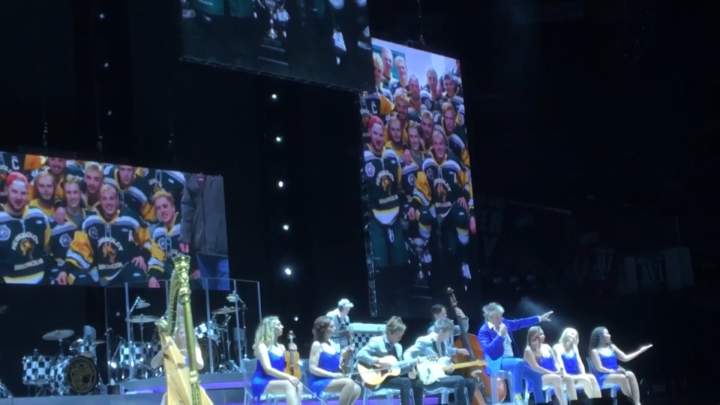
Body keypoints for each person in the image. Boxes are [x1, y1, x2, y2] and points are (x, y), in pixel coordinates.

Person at [58, 183, 150, 286]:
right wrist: (65, 270)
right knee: (79, 278)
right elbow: (78, 250)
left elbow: (148, 241)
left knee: (137, 274)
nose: (108, 203)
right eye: (104, 199)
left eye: (111, 198)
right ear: (100, 201)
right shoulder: (89, 221)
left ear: (117, 200)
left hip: (124, 270)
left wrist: (143, 256)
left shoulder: (131, 218)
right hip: (97, 274)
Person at [477, 302, 554, 404]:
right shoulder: (484, 331)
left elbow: (520, 323)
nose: (501, 319)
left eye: (501, 316)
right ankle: (518, 396)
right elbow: (490, 351)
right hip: (496, 361)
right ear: (490, 318)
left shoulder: (504, 323)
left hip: (511, 361)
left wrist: (539, 318)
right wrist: (500, 336)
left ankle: (540, 403)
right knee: (519, 362)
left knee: (535, 375)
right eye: (498, 317)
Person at [405, 318, 475, 405]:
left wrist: (449, 367)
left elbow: (443, 362)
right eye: (448, 333)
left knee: (470, 383)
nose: (449, 336)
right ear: (441, 331)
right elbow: (407, 353)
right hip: (430, 379)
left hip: (441, 375)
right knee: (459, 379)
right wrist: (412, 368)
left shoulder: (443, 344)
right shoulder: (424, 340)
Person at [356, 316, 423, 405]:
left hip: (391, 377)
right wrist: (377, 361)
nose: (400, 339)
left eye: (401, 336)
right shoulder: (377, 342)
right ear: (391, 333)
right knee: (405, 382)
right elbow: (360, 354)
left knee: (418, 382)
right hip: (376, 378)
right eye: (398, 336)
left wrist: (411, 367)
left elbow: (397, 369)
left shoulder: (398, 347)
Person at [179, 173, 229, 290]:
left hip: (223, 248)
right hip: (202, 249)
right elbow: (187, 210)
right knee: (209, 294)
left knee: (225, 293)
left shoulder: (219, 179)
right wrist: (184, 237)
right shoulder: (190, 179)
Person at [0, 172, 52, 285]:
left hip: (41, 280)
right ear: (6, 190)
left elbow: (47, 248)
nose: (19, 197)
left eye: (23, 193)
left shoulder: (38, 215)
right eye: (14, 191)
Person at [48, 176, 96, 284]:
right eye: (68, 193)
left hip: (89, 270)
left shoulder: (92, 217)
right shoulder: (55, 221)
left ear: (80, 194)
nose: (72, 196)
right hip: (64, 273)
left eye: (75, 192)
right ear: (64, 195)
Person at [589, 326, 652, 405]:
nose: (609, 335)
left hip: (615, 373)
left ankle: (637, 403)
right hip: (602, 377)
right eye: (607, 333)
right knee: (622, 378)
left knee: (630, 374)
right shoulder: (595, 351)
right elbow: (599, 368)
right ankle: (633, 400)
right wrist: (613, 371)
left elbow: (625, 358)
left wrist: (640, 351)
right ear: (600, 336)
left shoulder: (612, 347)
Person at [307, 316, 361, 405]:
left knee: (357, 388)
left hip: (332, 379)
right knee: (349, 383)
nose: (335, 328)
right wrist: (333, 375)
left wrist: (347, 355)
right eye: (332, 326)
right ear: (324, 330)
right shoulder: (317, 344)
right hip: (318, 381)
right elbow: (312, 368)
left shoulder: (332, 344)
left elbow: (341, 366)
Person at [251, 316, 301, 405]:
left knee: (299, 385)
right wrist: (289, 377)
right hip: (263, 380)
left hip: (277, 379)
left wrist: (293, 353)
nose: (282, 326)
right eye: (279, 324)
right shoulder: (262, 346)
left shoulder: (281, 347)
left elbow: (288, 367)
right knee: (289, 385)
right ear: (270, 328)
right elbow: (268, 369)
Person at [523, 326, 569, 405]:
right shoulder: (528, 350)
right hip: (537, 379)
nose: (542, 336)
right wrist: (553, 373)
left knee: (568, 379)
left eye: (542, 334)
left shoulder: (547, 347)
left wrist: (559, 370)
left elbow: (555, 362)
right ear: (533, 337)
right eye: (539, 335)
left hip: (552, 375)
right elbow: (536, 368)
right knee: (556, 378)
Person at [552, 327, 601, 399]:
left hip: (576, 375)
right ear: (565, 334)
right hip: (564, 376)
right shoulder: (557, 347)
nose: (574, 336)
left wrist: (583, 374)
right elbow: (559, 364)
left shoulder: (574, 348)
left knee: (592, 377)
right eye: (572, 333)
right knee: (585, 380)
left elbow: (580, 363)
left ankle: (598, 401)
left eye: (576, 335)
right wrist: (567, 376)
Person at [147, 190, 182, 288]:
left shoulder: (184, 225)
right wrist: (153, 277)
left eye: (165, 206)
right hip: (169, 276)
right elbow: (157, 259)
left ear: (173, 207)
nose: (162, 210)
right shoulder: (157, 232)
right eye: (158, 208)